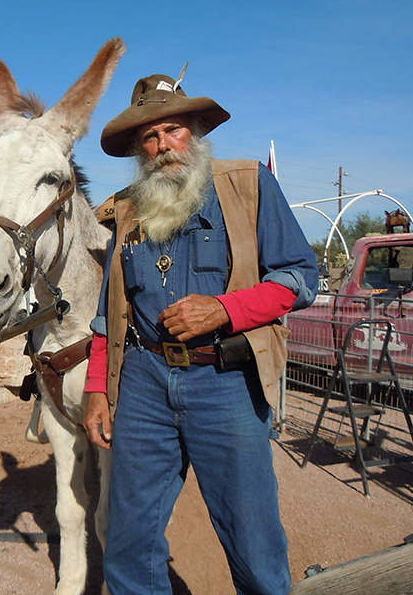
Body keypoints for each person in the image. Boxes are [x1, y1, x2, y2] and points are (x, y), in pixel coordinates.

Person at [82, 70, 318, 595]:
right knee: (128, 544)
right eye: (149, 136)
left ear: (195, 129)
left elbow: (301, 277)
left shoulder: (248, 183)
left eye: (172, 129)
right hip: (142, 382)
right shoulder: (126, 208)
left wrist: (224, 309)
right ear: (138, 148)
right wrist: (97, 387)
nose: (162, 145)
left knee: (253, 544)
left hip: (225, 380)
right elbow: (109, 312)